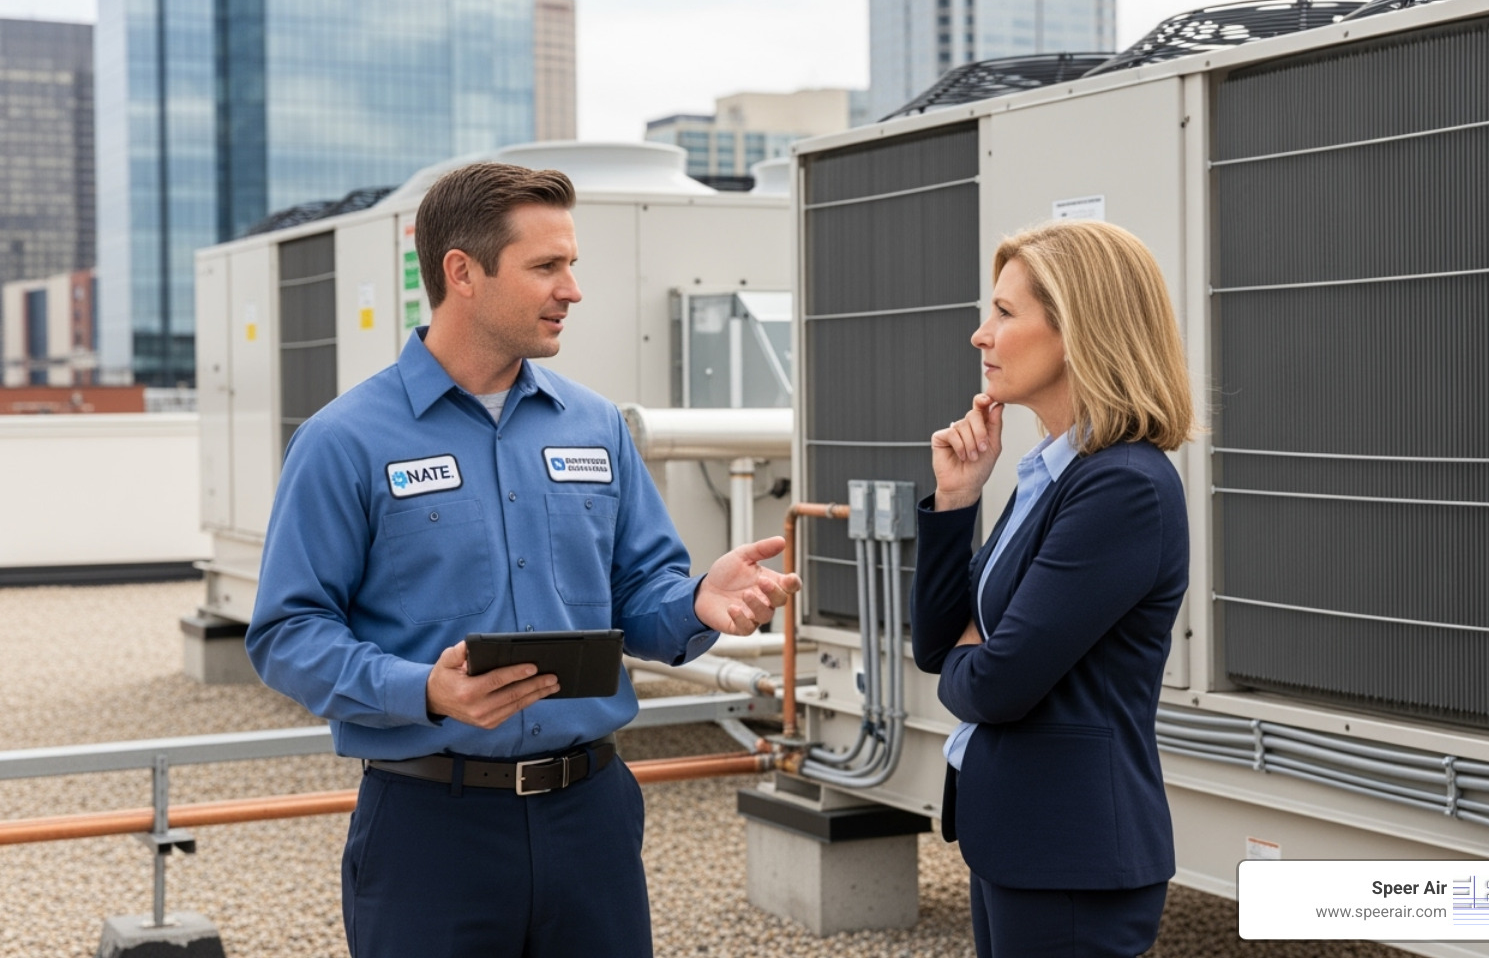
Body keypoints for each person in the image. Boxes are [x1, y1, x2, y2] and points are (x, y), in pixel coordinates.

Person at [246, 161, 801, 958]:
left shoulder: (595, 425)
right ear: (461, 273)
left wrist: (695, 602)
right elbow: (287, 632)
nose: (572, 289)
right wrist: (425, 691)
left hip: (592, 821)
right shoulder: (345, 442)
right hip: (430, 832)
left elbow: (638, 592)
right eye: (547, 266)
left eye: (571, 264)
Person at [910, 220, 1197, 958]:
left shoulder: (1122, 487)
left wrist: (977, 655)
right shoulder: (1054, 473)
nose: (982, 335)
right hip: (1023, 844)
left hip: (1072, 859)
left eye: (1005, 313)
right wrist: (955, 502)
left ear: (1077, 328)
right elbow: (938, 645)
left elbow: (998, 685)